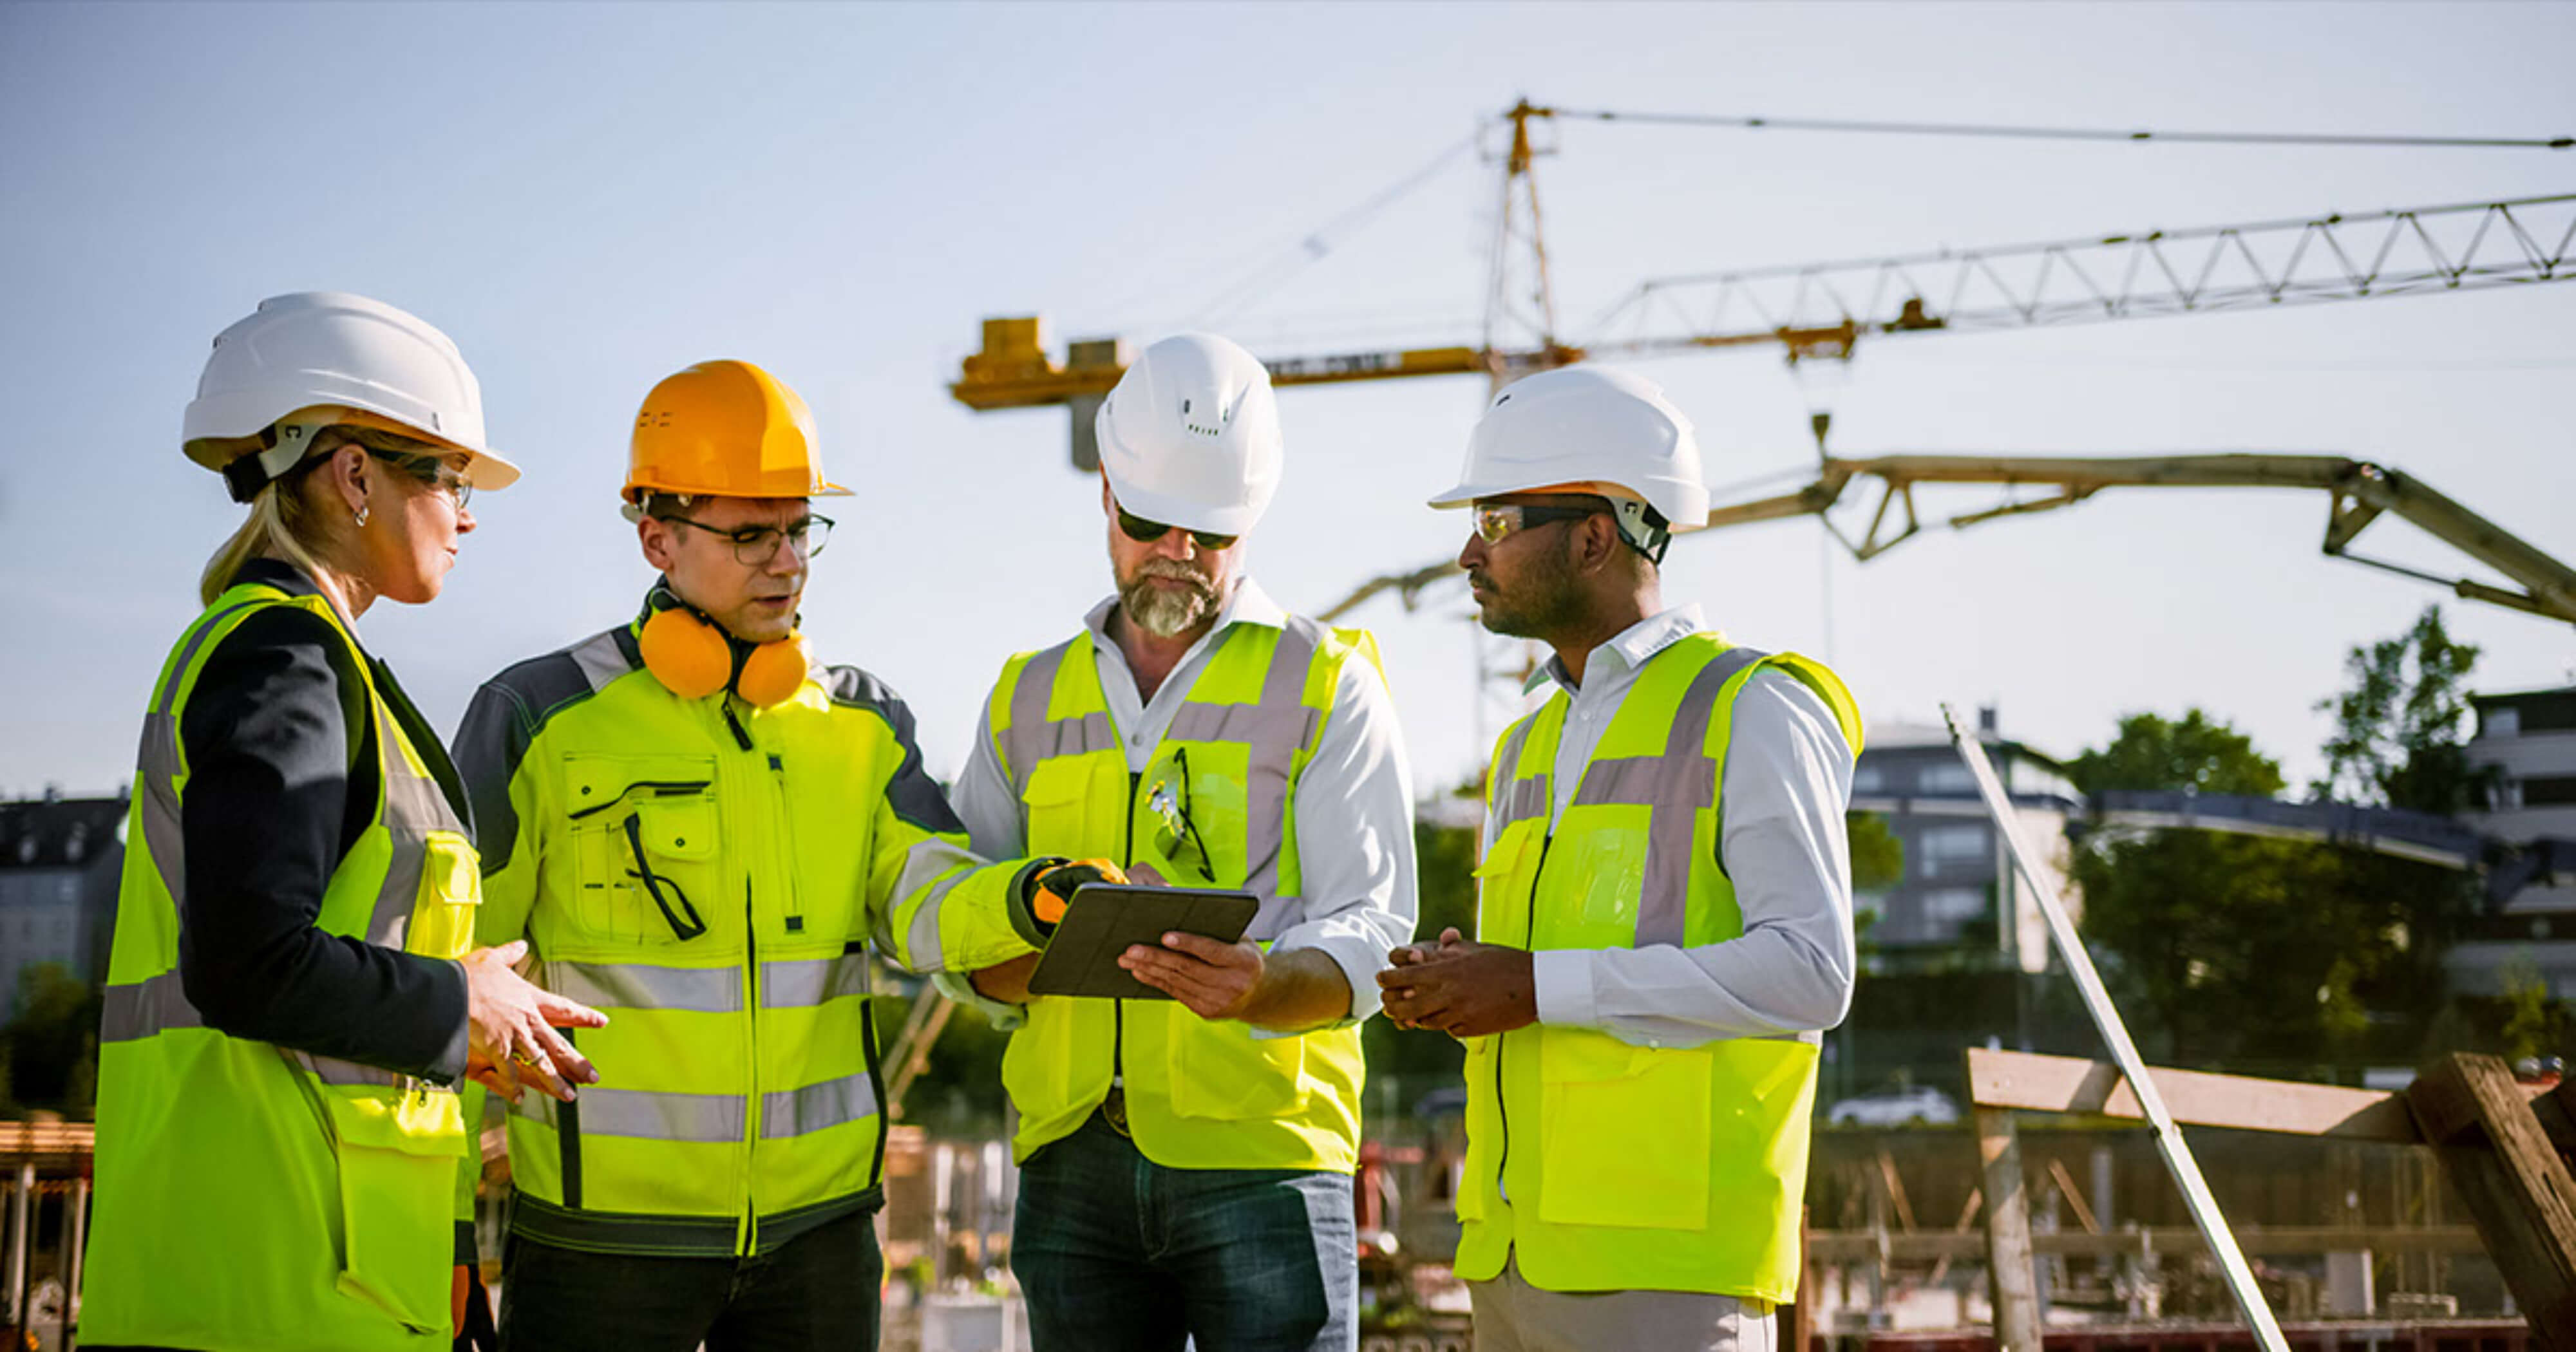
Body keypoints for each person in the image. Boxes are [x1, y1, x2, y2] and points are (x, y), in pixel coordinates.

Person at [450, 359, 1084, 1352]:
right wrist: (451, 1236)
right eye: (750, 535)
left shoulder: (864, 723)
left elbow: (927, 897)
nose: (786, 562)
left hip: (819, 1244)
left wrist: (1036, 900)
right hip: (600, 1248)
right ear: (657, 536)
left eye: (799, 530)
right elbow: (455, 980)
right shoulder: (536, 717)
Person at [84, 292, 604, 1352]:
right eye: (450, 478)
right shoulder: (284, 660)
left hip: (319, 1274)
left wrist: (463, 1027)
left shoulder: (305, 659)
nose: (467, 515)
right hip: (273, 1285)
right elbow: (248, 962)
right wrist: (460, 1002)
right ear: (355, 475)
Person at [947, 333, 1418, 1351]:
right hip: (1071, 1164)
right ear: (1107, 498)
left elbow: (1377, 929)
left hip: (1264, 1160)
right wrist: (1018, 954)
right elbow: (954, 912)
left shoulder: (1327, 682)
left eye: (1209, 532)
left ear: (1251, 522)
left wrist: (1264, 988)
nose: (1178, 553)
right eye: (1151, 522)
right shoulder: (1026, 694)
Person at [1378, 366, 1863, 1352]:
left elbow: (1814, 974)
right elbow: (1540, 978)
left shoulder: (1752, 707)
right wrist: (1459, 986)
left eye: (1500, 521)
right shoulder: (1526, 744)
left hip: (1667, 1275)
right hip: (1511, 1259)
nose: (1470, 552)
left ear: (1597, 535)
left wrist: (1536, 986)